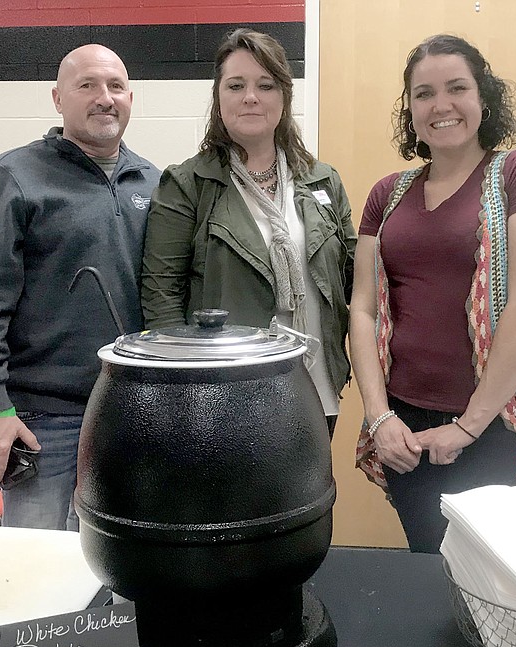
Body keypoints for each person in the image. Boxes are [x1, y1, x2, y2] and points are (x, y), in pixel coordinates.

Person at [350, 34, 516, 553]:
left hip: (490, 424)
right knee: (427, 557)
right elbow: (363, 310)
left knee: (488, 574)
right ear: (411, 110)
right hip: (401, 427)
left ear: (483, 98)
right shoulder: (387, 193)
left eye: (456, 88)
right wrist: (380, 419)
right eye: (423, 93)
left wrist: (467, 427)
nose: (440, 105)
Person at [0, 44, 161, 530]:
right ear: (57, 98)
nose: (104, 98)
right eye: (86, 85)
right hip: (43, 423)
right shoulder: (14, 177)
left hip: (129, 416)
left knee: (119, 569)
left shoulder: (152, 181)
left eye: (115, 86)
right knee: (38, 575)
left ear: (131, 97)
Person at [141, 28, 356, 437]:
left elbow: (351, 281)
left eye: (265, 84)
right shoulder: (187, 184)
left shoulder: (322, 180)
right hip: (222, 395)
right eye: (236, 85)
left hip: (316, 385)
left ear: (284, 97)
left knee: (310, 500)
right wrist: (182, 391)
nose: (251, 97)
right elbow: (161, 296)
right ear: (219, 98)